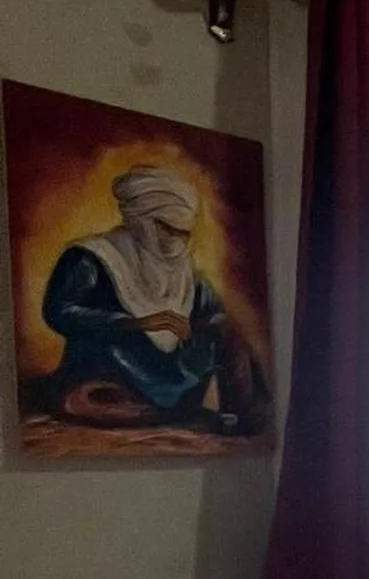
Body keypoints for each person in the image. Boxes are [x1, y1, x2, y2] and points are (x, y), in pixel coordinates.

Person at [39, 165, 268, 433]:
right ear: (140, 220)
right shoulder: (91, 258)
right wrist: (138, 323)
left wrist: (202, 332)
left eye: (184, 233)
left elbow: (212, 317)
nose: (177, 241)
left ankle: (240, 416)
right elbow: (58, 312)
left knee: (226, 327)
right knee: (92, 400)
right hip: (114, 375)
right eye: (168, 229)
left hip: (175, 379)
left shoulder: (187, 274)